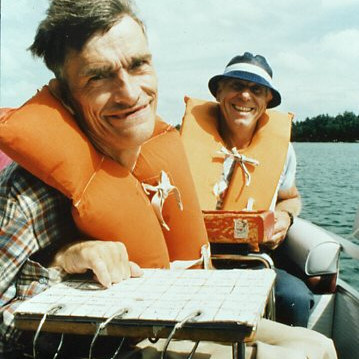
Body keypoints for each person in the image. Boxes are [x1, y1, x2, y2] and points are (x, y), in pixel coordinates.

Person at [0, 1, 336, 358]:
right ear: (67, 96)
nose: (129, 94)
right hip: (121, 341)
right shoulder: (27, 191)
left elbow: (288, 197)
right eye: (98, 76)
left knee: (319, 345)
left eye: (138, 64)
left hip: (192, 300)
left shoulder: (159, 150)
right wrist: (61, 261)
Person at [180, 52, 314, 327]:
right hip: (190, 256)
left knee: (295, 298)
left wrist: (284, 218)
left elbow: (290, 197)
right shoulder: (179, 144)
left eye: (256, 90)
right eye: (236, 86)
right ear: (219, 92)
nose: (245, 96)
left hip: (250, 258)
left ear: (267, 101)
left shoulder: (283, 152)